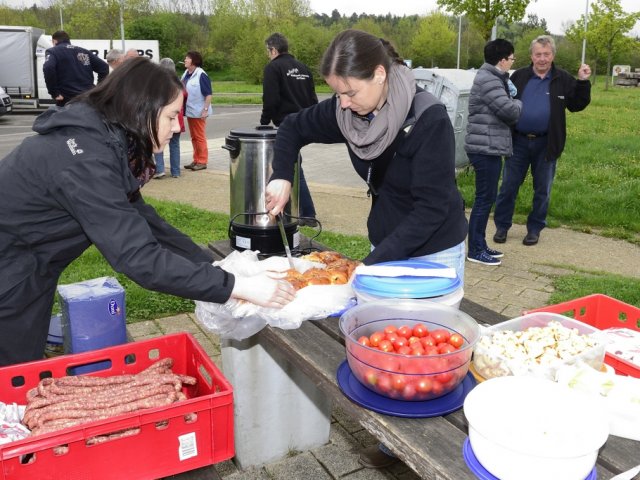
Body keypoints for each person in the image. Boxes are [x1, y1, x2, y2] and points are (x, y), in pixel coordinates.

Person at [0, 58, 295, 367]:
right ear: (140, 108)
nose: (177, 127)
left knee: (23, 366)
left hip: (30, 268)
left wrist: (217, 267)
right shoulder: (85, 159)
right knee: (12, 374)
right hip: (10, 272)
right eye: (171, 116)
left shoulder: (102, 141)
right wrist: (237, 287)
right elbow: (138, 257)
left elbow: (146, 221)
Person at [265, 29, 467, 468]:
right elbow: (292, 127)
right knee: (387, 351)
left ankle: (435, 452)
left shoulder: (427, 119)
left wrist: (370, 265)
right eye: (336, 93)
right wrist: (281, 175)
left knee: (429, 355)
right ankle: (394, 442)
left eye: (350, 93)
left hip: (433, 250)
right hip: (386, 242)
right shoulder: (348, 110)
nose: (342, 104)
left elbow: (431, 209)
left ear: (379, 74)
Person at [493, 35, 592, 246]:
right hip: (518, 142)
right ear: (531, 56)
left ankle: (535, 228)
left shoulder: (562, 79)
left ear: (553, 55)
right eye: (538, 54)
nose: (542, 59)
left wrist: (583, 82)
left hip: (547, 144)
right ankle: (502, 226)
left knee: (542, 190)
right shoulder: (519, 76)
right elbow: (502, 102)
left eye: (546, 54)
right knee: (508, 187)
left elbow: (577, 105)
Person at [464, 39, 522, 266]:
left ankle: (480, 243)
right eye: (512, 58)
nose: (512, 62)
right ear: (502, 60)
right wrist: (519, 102)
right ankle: (475, 250)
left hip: (488, 146)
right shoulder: (489, 79)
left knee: (486, 198)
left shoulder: (493, 78)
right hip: (484, 147)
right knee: (484, 199)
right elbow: (509, 111)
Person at [260, 33, 318, 226]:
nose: (268, 54)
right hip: (306, 122)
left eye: (268, 51)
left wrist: (264, 122)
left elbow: (271, 99)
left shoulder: (273, 67)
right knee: (294, 164)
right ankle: (299, 210)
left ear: (273, 50)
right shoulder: (303, 67)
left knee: (289, 166)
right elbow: (313, 98)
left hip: (287, 126)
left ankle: (306, 213)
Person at [43, 31, 109, 107]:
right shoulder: (83, 51)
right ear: (68, 40)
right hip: (87, 97)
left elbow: (48, 67)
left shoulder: (52, 51)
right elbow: (104, 67)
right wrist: (98, 89)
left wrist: (54, 93)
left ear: (54, 41)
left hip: (67, 98)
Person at [153, 58, 185, 179]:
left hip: (163, 118)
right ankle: (176, 171)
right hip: (177, 117)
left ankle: (160, 169)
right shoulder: (179, 83)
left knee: (158, 141)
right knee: (175, 145)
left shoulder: (157, 84)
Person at [181, 51, 212, 171]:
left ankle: (202, 161)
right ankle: (196, 159)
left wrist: (205, 110)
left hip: (199, 111)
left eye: (187, 58)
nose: (185, 60)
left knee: (199, 136)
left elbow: (208, 94)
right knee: (194, 136)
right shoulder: (186, 73)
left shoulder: (201, 74)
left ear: (194, 61)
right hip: (190, 110)